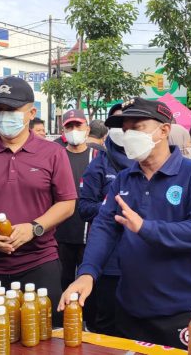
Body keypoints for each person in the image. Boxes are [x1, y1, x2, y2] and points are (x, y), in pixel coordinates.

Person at [59, 98, 191, 350]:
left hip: (181, 309)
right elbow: (104, 226)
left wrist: (146, 228)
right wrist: (88, 272)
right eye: (125, 130)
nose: (129, 135)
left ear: (164, 130)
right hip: (131, 305)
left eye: (138, 127)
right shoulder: (125, 179)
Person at [0, 77, 76, 327]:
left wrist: (34, 228)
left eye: (12, 109)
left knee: (42, 335)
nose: (4, 116)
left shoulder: (53, 153)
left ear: (31, 113)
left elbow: (67, 203)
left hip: (39, 260)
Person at [78, 105, 134, 336]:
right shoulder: (99, 164)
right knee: (107, 323)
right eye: (117, 124)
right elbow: (83, 208)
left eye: (129, 125)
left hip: (141, 259)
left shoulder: (147, 161)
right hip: (109, 260)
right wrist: (108, 207)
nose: (123, 129)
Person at [55, 109, 93, 291]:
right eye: (69, 126)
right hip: (61, 232)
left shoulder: (98, 156)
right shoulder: (56, 155)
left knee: (89, 285)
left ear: (87, 128)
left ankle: (89, 320)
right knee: (63, 282)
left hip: (89, 234)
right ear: (63, 131)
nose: (74, 129)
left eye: (78, 125)